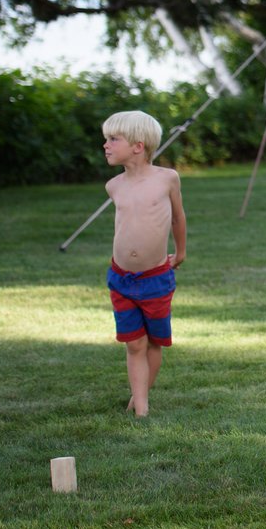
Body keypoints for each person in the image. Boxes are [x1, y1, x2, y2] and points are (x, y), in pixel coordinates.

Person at [102, 110, 187, 417]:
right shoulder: (114, 186)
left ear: (137, 146)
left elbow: (178, 217)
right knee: (134, 344)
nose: (106, 145)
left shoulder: (167, 179)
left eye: (113, 139)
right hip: (121, 278)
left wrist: (180, 252)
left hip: (155, 278)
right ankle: (141, 409)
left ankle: (138, 400)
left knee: (153, 343)